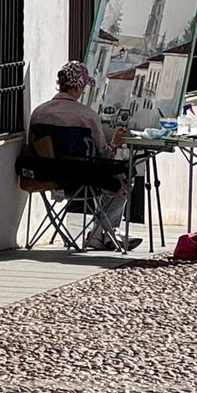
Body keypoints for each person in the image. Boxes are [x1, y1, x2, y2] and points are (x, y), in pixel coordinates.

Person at [28, 61, 138, 251]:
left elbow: (34, 146)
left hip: (45, 178)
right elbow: (104, 155)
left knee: (103, 175)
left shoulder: (38, 113)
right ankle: (103, 233)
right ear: (78, 86)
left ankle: (98, 236)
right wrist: (115, 142)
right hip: (82, 182)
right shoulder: (87, 116)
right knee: (127, 176)